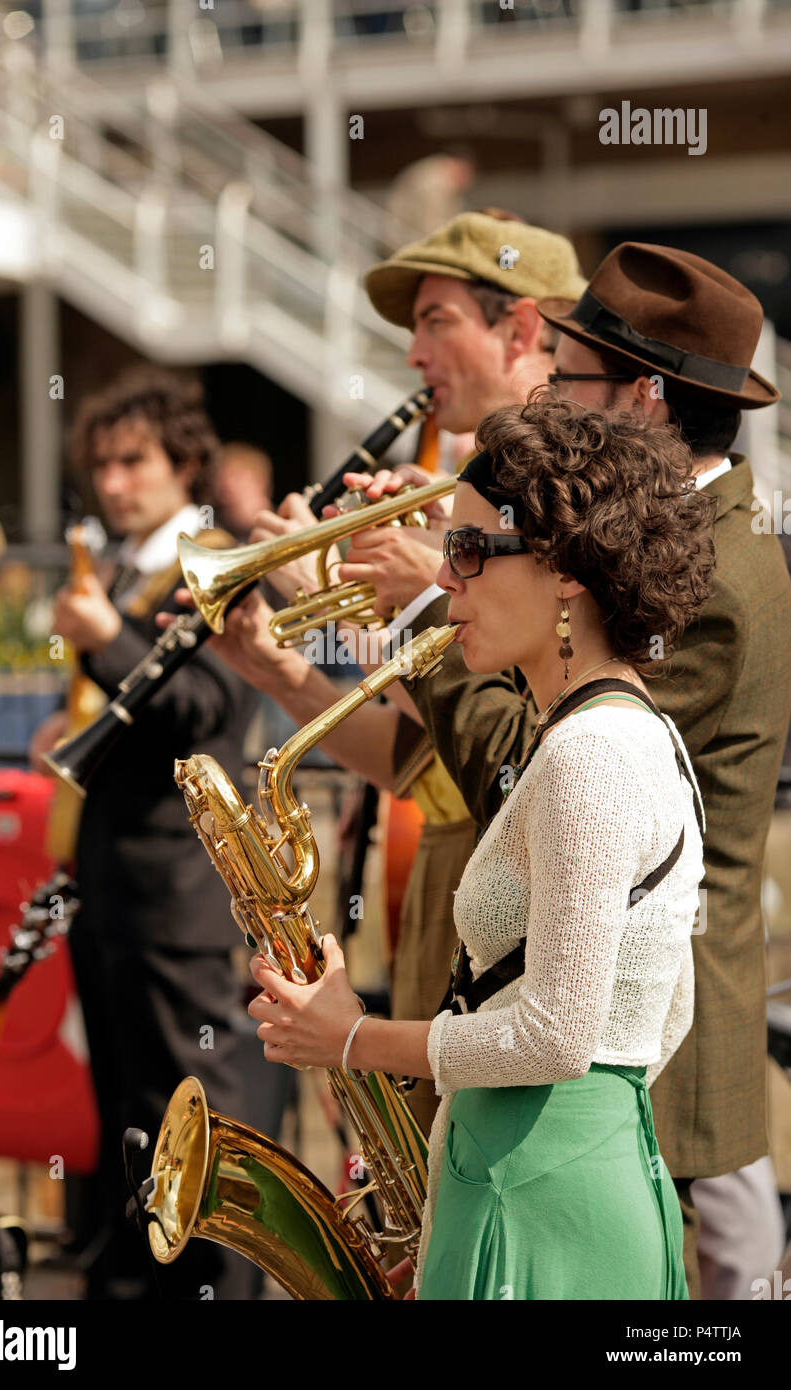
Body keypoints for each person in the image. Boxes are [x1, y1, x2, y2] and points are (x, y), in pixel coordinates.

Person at [362, 242, 791, 1297]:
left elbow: (527, 763)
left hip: (610, 1088)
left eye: (568, 373)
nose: (549, 392)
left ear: (641, 398)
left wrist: (432, 602)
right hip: (594, 1073)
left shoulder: (716, 580)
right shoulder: (683, 554)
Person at [245, 394, 716, 1300]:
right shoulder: (617, 734)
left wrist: (349, 1039)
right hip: (552, 1177)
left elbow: (555, 1034)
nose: (443, 581)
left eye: (466, 552)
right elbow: (661, 1019)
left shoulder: (586, 755)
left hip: (539, 1192)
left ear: (566, 568)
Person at [174, 212, 584, 1134]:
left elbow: (502, 720)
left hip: (516, 871)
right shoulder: (454, 472)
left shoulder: (559, 492)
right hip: (447, 859)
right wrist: (285, 672)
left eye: (436, 321)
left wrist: (375, 591)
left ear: (521, 330)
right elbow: (418, 755)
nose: (413, 354)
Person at [30, 365, 259, 1300]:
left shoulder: (215, 559)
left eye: (135, 461)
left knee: (194, 1105)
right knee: (126, 1105)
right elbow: (124, 720)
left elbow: (210, 705)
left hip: (180, 887)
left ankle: (219, 1283)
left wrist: (106, 639)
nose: (115, 482)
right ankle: (141, 1278)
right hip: (109, 879)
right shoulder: (124, 565)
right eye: (102, 465)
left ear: (183, 463)